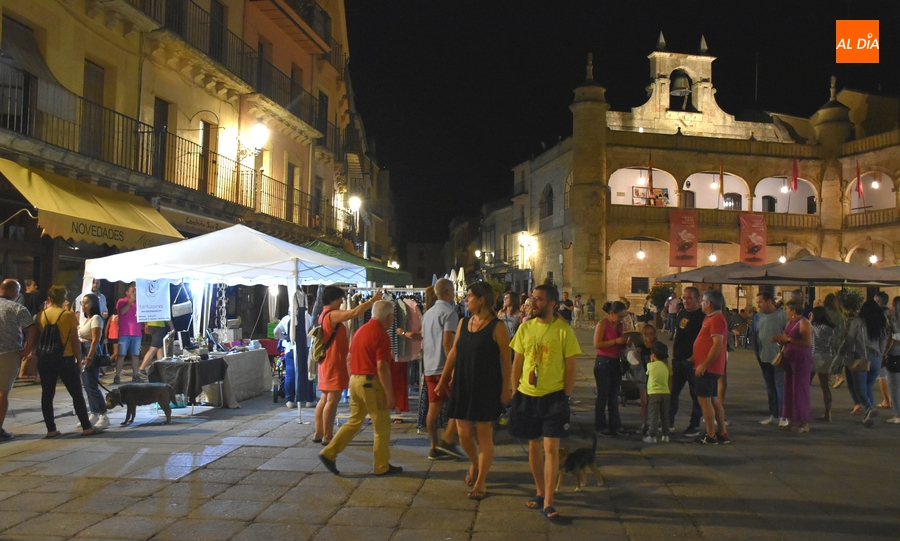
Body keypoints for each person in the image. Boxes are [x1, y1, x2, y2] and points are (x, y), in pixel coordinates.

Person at [509, 284, 581, 521]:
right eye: (533, 298)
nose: (534, 303)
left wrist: (566, 394)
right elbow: (517, 362)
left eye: (539, 299)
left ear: (552, 304)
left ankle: (549, 501)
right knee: (533, 446)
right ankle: (540, 491)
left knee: (551, 448)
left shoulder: (563, 331)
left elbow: (571, 366)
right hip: (527, 395)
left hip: (553, 397)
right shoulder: (525, 328)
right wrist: (513, 390)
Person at [436, 282, 511, 500]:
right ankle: (476, 463)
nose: (465, 299)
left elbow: (506, 361)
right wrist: (443, 380)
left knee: (484, 434)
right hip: (463, 383)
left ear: (481, 299)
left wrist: (506, 389)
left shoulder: (497, 327)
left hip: (487, 386)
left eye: (469, 296)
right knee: (464, 434)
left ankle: (481, 481)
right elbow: (453, 354)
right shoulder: (463, 322)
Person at [318, 300, 401, 476]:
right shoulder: (381, 334)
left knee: (354, 421)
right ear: (389, 316)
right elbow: (382, 367)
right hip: (371, 383)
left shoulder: (361, 331)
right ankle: (381, 465)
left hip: (355, 381)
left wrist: (353, 379)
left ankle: (329, 452)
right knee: (382, 426)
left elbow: (349, 359)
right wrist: (389, 393)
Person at [315, 286, 383, 444]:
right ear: (332, 299)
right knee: (332, 399)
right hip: (333, 361)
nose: (341, 302)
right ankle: (327, 435)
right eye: (339, 299)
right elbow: (354, 313)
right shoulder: (332, 314)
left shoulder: (323, 314)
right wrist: (373, 300)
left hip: (326, 362)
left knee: (324, 398)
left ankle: (319, 433)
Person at [33, 285, 101, 437]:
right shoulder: (67, 315)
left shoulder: (40, 316)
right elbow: (74, 341)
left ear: (49, 299)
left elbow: (39, 337)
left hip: (45, 359)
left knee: (47, 394)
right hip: (65, 358)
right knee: (76, 393)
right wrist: (78, 359)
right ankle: (86, 427)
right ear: (64, 299)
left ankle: (51, 429)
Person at [406, 278, 461, 460]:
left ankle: (434, 446)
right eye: (453, 291)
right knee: (458, 406)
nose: (454, 295)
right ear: (446, 292)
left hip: (429, 367)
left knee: (433, 409)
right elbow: (447, 342)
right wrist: (452, 368)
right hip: (443, 367)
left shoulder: (428, 314)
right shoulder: (450, 313)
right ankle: (448, 441)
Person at [839, 300, 888, 428]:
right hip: (876, 359)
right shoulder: (882, 324)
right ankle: (868, 416)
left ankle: (868, 408)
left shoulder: (857, 322)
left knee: (859, 389)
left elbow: (849, 340)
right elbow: (883, 343)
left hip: (861, 358)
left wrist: (841, 354)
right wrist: (880, 354)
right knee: (868, 387)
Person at [0, 279, 38, 441]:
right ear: (14, 291)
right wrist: (27, 350)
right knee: (3, 393)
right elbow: (32, 328)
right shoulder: (17, 308)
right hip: (9, 353)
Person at [693, 289, 730, 444]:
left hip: (708, 368)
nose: (701, 303)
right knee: (714, 399)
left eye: (703, 300)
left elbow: (717, 344)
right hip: (708, 366)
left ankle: (710, 434)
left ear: (709, 303)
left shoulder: (716, 319)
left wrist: (704, 364)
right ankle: (722, 432)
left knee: (704, 399)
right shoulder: (711, 318)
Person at [772, 299, 813, 433]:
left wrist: (789, 340)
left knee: (800, 389)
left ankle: (803, 421)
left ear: (793, 311)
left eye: (787, 310)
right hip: (789, 359)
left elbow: (807, 342)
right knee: (789, 388)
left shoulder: (803, 322)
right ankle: (790, 417)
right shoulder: (790, 322)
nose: (786, 312)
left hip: (801, 359)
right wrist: (780, 339)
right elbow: (786, 336)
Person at [669, 287, 705, 437]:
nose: (686, 301)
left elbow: (704, 341)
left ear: (697, 299)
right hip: (678, 359)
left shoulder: (702, 317)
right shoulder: (682, 313)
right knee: (672, 392)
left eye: (689, 298)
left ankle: (694, 425)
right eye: (684, 298)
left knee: (696, 395)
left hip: (692, 361)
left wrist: (695, 357)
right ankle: (668, 422)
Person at [593, 300, 629, 437]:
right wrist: (615, 341)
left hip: (615, 361)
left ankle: (615, 424)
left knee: (614, 395)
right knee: (603, 395)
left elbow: (620, 344)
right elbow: (597, 344)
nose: (621, 319)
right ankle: (600, 425)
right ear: (612, 313)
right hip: (604, 362)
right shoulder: (602, 324)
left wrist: (625, 344)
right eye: (620, 316)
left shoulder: (619, 325)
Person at [754, 291, 789, 427]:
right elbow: (755, 334)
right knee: (770, 387)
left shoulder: (782, 315)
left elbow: (787, 334)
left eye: (760, 302)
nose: (758, 305)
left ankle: (784, 415)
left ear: (769, 301)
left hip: (779, 358)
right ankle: (773, 413)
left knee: (780, 386)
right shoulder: (758, 316)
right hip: (763, 357)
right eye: (757, 303)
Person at [78, 294, 109, 428]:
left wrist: (89, 357)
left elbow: (95, 340)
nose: (83, 305)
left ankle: (103, 414)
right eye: (82, 303)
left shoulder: (96, 318)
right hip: (83, 350)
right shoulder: (86, 319)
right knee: (87, 385)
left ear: (93, 304)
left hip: (91, 351)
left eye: (86, 303)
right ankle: (94, 412)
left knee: (92, 385)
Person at [626, 324, 657, 434]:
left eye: (651, 334)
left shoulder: (657, 347)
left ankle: (654, 424)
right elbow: (631, 359)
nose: (648, 336)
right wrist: (632, 349)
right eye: (645, 334)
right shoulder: (640, 346)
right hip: (642, 377)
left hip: (655, 378)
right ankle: (644, 424)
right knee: (644, 401)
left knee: (654, 402)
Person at [809, 306, 835, 421]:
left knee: (805, 384)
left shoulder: (813, 327)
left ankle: (804, 410)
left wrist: (809, 322)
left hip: (814, 355)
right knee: (825, 387)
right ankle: (827, 414)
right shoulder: (829, 328)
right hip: (827, 355)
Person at [643, 342, 671, 444]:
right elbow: (670, 378)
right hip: (666, 393)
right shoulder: (667, 367)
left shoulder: (650, 365)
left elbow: (647, 374)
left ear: (653, 355)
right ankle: (666, 435)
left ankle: (652, 436)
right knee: (665, 416)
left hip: (654, 394)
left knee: (654, 416)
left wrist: (652, 361)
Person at [115, 283, 143, 384]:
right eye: (132, 291)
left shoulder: (139, 304)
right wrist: (130, 302)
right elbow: (122, 312)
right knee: (121, 354)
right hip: (125, 333)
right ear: (127, 292)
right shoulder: (121, 302)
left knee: (135, 355)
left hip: (137, 333)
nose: (135, 293)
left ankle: (135, 375)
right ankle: (117, 376)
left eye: (136, 291)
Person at [823, 294, 848, 390]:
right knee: (836, 358)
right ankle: (837, 376)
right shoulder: (841, 313)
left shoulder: (825, 312)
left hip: (827, 339)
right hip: (839, 338)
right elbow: (845, 328)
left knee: (827, 360)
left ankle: (830, 378)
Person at [874, 291, 892, 410]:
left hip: (884, 347)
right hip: (894, 346)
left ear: (878, 302)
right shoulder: (892, 313)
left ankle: (886, 400)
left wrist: (883, 351)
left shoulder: (880, 314)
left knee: (882, 375)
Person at [884, 297, 900, 424]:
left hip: (895, 352)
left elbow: (891, 339)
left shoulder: (893, 319)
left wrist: (884, 353)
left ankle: (898, 415)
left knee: (894, 386)